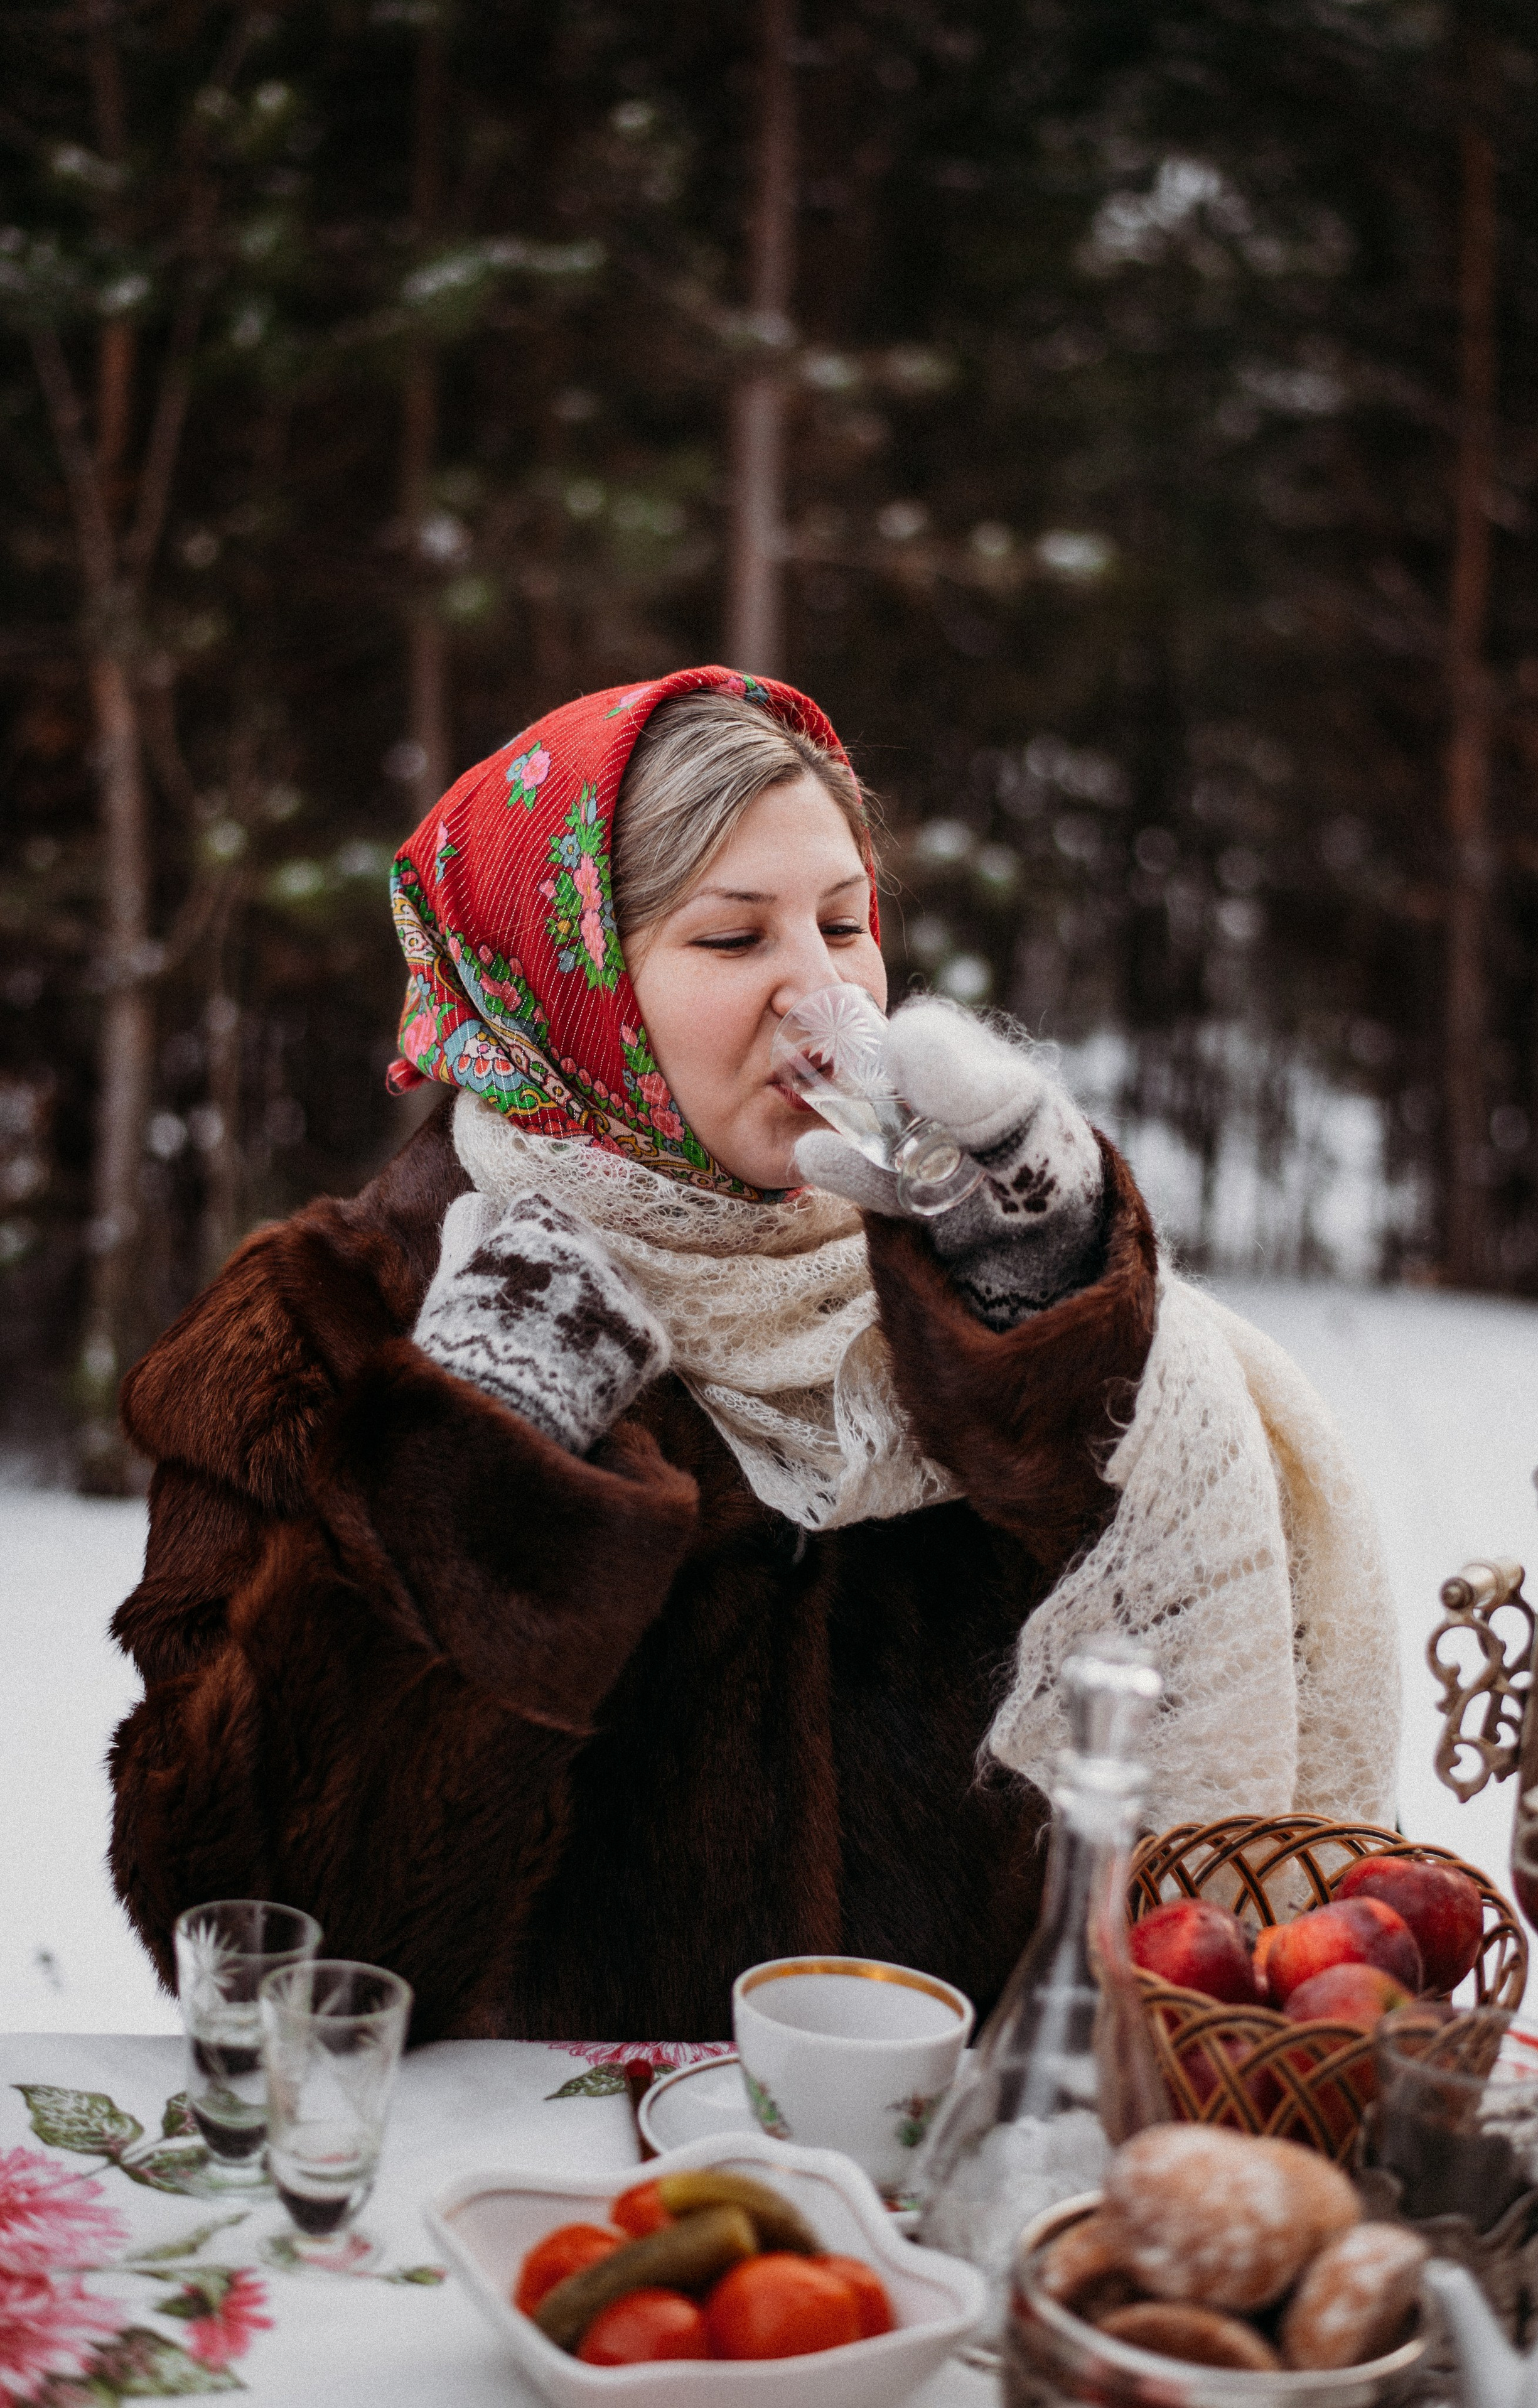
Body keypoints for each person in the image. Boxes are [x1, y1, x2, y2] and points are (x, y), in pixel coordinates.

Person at [109, 666, 1399, 2045]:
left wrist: (1056, 1335)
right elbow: (253, 1932)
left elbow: (1149, 1715)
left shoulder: (946, 1280)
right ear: (567, 988)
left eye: (846, 925)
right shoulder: (321, 1330)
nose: (822, 994)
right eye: (733, 941)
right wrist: (485, 1447)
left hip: (940, 2187)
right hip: (538, 2204)